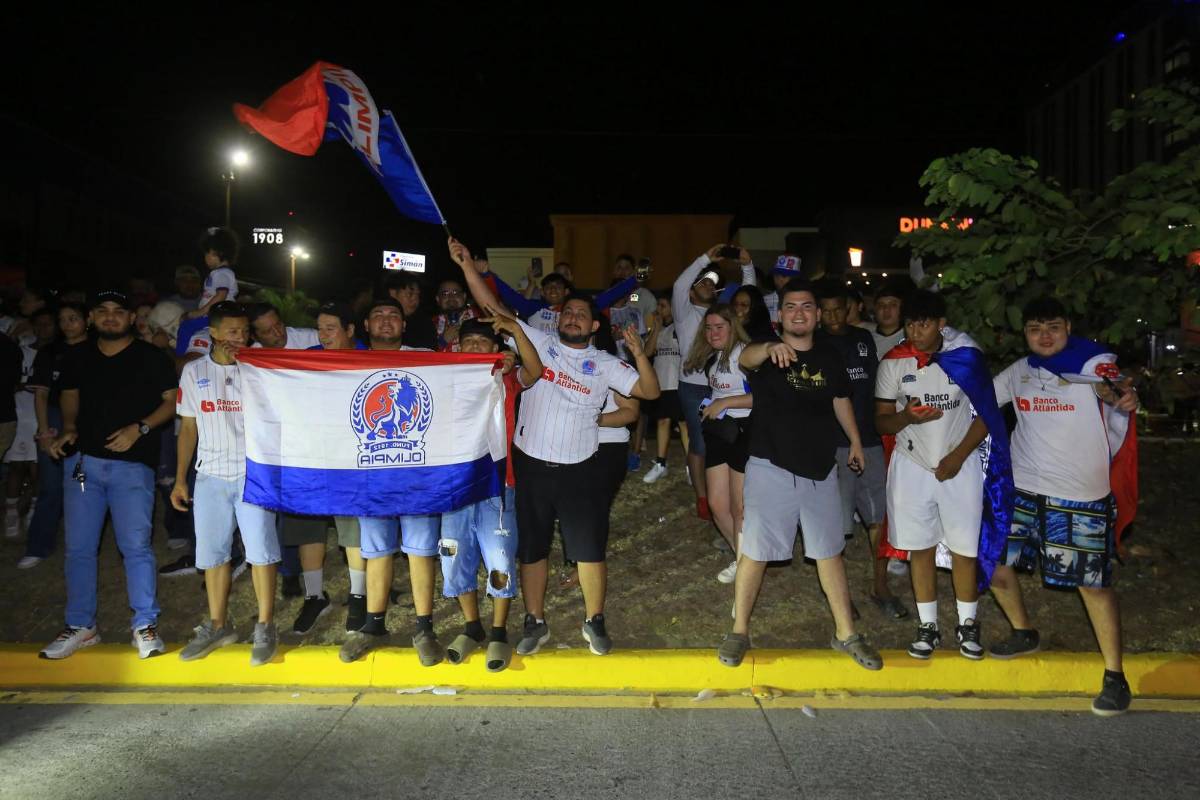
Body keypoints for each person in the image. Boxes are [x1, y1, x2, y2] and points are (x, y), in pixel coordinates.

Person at [449, 237, 661, 657]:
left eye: (583, 315)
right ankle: (535, 620)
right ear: (558, 320)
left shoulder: (605, 364)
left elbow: (649, 393)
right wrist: (467, 266)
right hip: (532, 467)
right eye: (569, 312)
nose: (574, 318)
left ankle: (594, 620)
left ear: (595, 327)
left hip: (582, 469)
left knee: (588, 549)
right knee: (532, 549)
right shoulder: (539, 342)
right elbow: (494, 307)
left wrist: (639, 354)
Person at [718, 279, 882, 671]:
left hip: (820, 469)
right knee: (755, 553)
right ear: (780, 315)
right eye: (791, 307)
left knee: (829, 553)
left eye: (806, 307)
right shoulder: (767, 351)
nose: (799, 313)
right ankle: (739, 630)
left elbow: (841, 399)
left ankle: (846, 634)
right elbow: (746, 359)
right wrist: (770, 347)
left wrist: (856, 442)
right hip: (770, 466)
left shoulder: (830, 356)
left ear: (817, 314)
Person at [988, 297, 1138, 716]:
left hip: (1079, 496)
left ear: (1068, 327)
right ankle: (1023, 631)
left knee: (1091, 584)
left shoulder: (1090, 366)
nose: (1045, 336)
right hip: (1023, 490)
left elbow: (1116, 384)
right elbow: (978, 397)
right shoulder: (1021, 371)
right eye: (1035, 329)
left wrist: (1124, 395)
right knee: (996, 564)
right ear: (1025, 334)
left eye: (1053, 327)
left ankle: (1115, 676)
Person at [874, 289, 1011, 661]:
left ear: (941, 324)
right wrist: (906, 417)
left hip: (959, 466)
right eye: (910, 323)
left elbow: (987, 414)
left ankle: (968, 626)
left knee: (964, 547)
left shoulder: (965, 359)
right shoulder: (894, 363)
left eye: (924, 323)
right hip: (912, 466)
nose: (916, 330)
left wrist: (958, 456)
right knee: (920, 547)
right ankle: (928, 626)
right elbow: (881, 419)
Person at [41, 290, 177, 660]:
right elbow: (69, 395)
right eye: (103, 311)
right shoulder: (77, 356)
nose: (111, 317)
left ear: (132, 318)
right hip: (83, 464)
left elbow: (171, 400)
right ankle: (82, 626)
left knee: (135, 548)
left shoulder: (151, 357)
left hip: (133, 467)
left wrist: (141, 428)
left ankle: (144, 625)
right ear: (91, 318)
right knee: (79, 550)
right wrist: (68, 428)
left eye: (119, 311)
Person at [338, 298, 445, 665]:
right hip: (371, 477)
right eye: (379, 316)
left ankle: (424, 627)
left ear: (405, 324)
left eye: (394, 316)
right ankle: (373, 625)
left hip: (418, 476)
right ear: (365, 325)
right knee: (377, 551)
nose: (387, 321)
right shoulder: (350, 363)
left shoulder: (427, 359)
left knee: (420, 552)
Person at [173, 302, 282, 666]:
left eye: (244, 331)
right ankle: (219, 624)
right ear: (214, 334)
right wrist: (179, 479)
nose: (240, 338)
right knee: (212, 555)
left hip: (254, 475)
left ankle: (266, 625)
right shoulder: (193, 372)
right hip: (210, 476)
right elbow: (187, 428)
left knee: (261, 554)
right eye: (232, 331)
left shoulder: (260, 368)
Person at [439, 317, 542, 672]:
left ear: (495, 349)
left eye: (483, 343)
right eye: (468, 342)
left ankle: (498, 631)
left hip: (499, 484)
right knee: (452, 556)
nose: (474, 348)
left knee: (499, 557)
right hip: (453, 486)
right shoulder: (445, 379)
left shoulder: (507, 379)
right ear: (457, 347)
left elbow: (537, 369)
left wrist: (514, 337)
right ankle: (472, 627)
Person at [815, 282, 906, 618]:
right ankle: (841, 594)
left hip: (869, 441)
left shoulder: (863, 340)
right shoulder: (813, 344)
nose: (832, 316)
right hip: (832, 446)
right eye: (825, 310)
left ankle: (880, 585)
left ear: (849, 308)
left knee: (880, 518)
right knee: (836, 525)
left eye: (838, 308)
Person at [296, 303, 370, 635]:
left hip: (351, 460)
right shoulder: (308, 357)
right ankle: (314, 595)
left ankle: (358, 595)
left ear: (350, 330)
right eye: (320, 329)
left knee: (352, 529)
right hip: (313, 456)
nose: (324, 336)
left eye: (331, 328)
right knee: (308, 525)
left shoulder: (368, 357)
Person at [672, 245, 756, 521]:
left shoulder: (721, 315)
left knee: (727, 440)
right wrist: (705, 258)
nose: (708, 285)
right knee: (699, 442)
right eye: (703, 281)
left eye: (713, 282)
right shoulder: (684, 311)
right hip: (695, 388)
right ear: (693, 288)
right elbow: (679, 283)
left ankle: (728, 494)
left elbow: (749, 298)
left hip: (725, 388)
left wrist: (746, 266)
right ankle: (703, 496)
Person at [682, 304, 752, 583]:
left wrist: (725, 402)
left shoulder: (745, 355)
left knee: (739, 507)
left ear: (732, 326)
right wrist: (711, 405)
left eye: (719, 327)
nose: (713, 333)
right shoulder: (714, 357)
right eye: (708, 328)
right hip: (718, 432)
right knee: (716, 504)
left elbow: (763, 397)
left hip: (744, 432)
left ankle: (746, 567)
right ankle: (743, 558)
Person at [22, 302, 90, 569]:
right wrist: (44, 432)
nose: (67, 324)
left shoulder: (99, 349)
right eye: (62, 320)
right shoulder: (51, 352)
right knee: (50, 485)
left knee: (83, 484)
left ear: (88, 319)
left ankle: (83, 545)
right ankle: (38, 546)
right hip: (54, 418)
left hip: (90, 420)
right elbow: (40, 394)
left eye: (73, 318)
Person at [484, 266, 637, 336]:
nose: (553, 290)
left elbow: (608, 296)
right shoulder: (531, 307)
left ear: (566, 291)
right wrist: (486, 274)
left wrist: (635, 279)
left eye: (558, 287)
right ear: (542, 292)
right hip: (539, 363)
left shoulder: (577, 308)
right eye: (548, 287)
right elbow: (508, 294)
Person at [642, 296, 687, 484]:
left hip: (679, 383)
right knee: (662, 422)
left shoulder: (683, 326)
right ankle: (661, 464)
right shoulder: (658, 329)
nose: (659, 309)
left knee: (684, 425)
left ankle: (691, 466)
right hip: (661, 383)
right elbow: (647, 353)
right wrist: (657, 328)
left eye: (663, 305)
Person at [186, 227, 240, 320]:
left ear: (219, 253)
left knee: (185, 330)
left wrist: (199, 313)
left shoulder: (222, 273)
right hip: (213, 317)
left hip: (218, 318)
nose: (205, 258)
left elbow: (221, 295)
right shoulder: (219, 273)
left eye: (207, 253)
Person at [383, 271, 437, 350]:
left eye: (417, 295)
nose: (415, 299)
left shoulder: (424, 324)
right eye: (410, 294)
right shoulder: (380, 321)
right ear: (393, 293)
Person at [433, 277, 478, 352]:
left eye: (455, 292)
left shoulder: (480, 318)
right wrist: (442, 341)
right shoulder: (429, 325)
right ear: (438, 299)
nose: (451, 297)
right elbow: (422, 354)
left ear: (464, 296)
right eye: (445, 293)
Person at [248, 304, 320, 350]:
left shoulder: (313, 338)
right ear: (254, 338)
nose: (278, 333)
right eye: (268, 331)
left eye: (278, 324)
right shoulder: (252, 358)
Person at [869, 280, 909, 359]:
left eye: (893, 305)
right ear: (875, 310)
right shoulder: (867, 338)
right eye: (881, 305)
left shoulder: (910, 336)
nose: (886, 309)